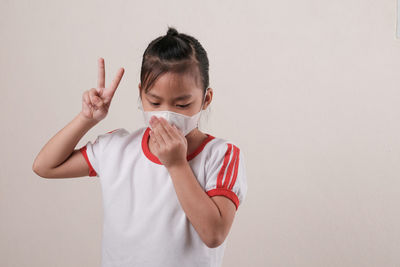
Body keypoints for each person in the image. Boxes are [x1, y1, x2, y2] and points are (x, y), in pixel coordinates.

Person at [32, 26, 248, 267]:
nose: (166, 115)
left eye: (182, 104)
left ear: (205, 99)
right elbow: (45, 166)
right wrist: (87, 119)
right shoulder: (118, 148)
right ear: (141, 94)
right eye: (154, 102)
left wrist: (176, 165)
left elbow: (214, 234)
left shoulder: (221, 155)